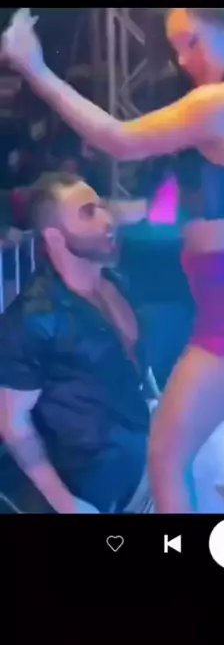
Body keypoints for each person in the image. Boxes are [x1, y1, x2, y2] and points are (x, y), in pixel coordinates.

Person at [2, 8, 224, 514]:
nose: (182, 60)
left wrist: (34, 68)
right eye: (175, 47)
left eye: (192, 42)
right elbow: (213, 203)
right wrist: (141, 212)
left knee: (165, 457)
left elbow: (119, 140)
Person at [0, 171, 159, 514]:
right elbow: (13, 423)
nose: (107, 220)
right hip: (85, 484)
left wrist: (158, 407)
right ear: (54, 236)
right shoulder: (33, 318)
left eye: (102, 207)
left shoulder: (117, 282)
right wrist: (66, 504)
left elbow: (133, 361)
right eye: (88, 213)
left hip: (140, 472)